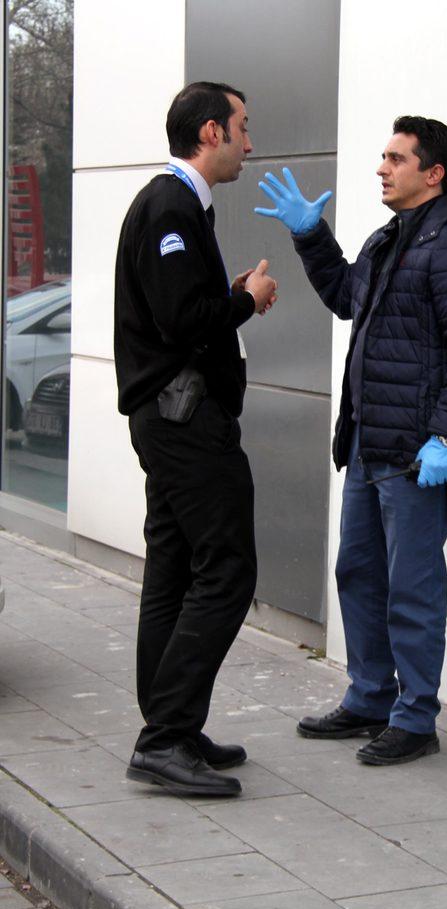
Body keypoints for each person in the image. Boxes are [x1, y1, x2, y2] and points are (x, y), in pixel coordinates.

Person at [255, 116, 447, 765]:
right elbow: (346, 296)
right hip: (370, 440)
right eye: (382, 157)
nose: (381, 168)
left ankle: (415, 716)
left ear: (433, 171)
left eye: (395, 158)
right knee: (359, 571)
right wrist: (311, 234)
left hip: (418, 449)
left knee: (412, 585)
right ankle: (369, 696)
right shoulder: (391, 237)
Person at [114, 81, 277, 795]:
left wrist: (227, 293)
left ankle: (171, 724)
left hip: (169, 416)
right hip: (185, 420)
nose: (251, 142)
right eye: (243, 128)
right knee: (227, 568)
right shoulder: (171, 205)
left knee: (175, 568)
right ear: (211, 132)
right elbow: (183, 320)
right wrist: (247, 300)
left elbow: (177, 306)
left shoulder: (178, 208)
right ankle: (166, 735)